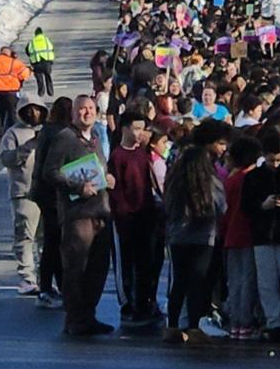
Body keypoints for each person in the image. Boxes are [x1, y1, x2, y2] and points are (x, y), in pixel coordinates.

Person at [43, 95, 117, 336]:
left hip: (100, 211)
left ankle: (89, 316)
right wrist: (77, 186)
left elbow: (100, 167)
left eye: (91, 109)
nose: (87, 113)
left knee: (98, 268)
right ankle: (74, 319)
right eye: (82, 109)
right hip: (78, 214)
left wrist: (108, 179)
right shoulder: (64, 138)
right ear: (74, 113)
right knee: (76, 268)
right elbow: (50, 172)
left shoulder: (94, 138)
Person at [162, 145, 226, 344]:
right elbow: (221, 206)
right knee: (197, 281)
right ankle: (193, 326)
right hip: (203, 236)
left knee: (179, 281)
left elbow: (165, 206)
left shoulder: (174, 182)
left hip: (178, 236)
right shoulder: (210, 182)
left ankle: (171, 325)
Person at [108, 111, 163, 325]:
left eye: (142, 129)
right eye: (136, 128)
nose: (140, 133)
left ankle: (144, 302)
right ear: (125, 128)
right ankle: (127, 304)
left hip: (145, 215)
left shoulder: (142, 153)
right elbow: (116, 188)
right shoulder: (117, 155)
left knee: (144, 262)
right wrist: (122, 212)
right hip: (125, 217)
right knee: (125, 262)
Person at [244, 128, 280, 342]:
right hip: (262, 235)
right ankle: (273, 321)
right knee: (266, 282)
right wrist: (262, 205)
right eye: (271, 160)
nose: (275, 164)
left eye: (278, 160)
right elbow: (245, 207)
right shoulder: (253, 177)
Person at [1, 93, 48, 295]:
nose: (33, 113)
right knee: (25, 236)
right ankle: (27, 277)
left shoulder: (49, 132)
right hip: (24, 192)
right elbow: (7, 159)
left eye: (37, 109)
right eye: (28, 110)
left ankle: (46, 277)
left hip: (47, 191)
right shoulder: (13, 134)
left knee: (46, 238)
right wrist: (28, 146)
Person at [29, 98, 73, 309]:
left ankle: (56, 285)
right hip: (52, 194)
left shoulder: (48, 130)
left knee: (53, 241)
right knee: (54, 242)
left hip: (44, 193)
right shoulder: (61, 133)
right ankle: (47, 286)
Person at [222, 135, 262, 340]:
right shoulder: (252, 177)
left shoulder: (231, 179)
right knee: (248, 281)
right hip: (249, 234)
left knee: (235, 281)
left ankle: (235, 323)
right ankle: (245, 322)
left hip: (231, 234)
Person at [0, 46, 32, 140]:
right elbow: (24, 74)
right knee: (12, 113)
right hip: (11, 92)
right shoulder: (13, 62)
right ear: (9, 53)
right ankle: (14, 133)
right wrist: (29, 70)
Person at [25, 27, 56, 97]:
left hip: (37, 63)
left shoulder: (32, 41)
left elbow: (27, 51)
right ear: (42, 33)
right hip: (47, 62)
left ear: (35, 34)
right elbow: (52, 48)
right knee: (48, 76)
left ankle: (41, 92)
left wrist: (32, 58)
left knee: (39, 78)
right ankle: (50, 91)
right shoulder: (46, 40)